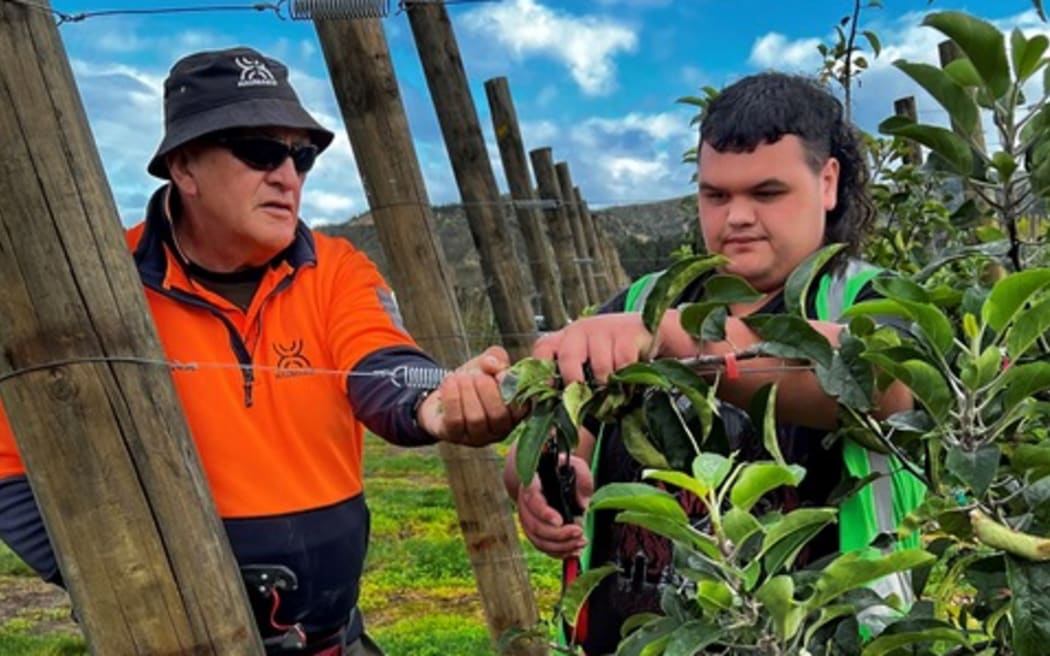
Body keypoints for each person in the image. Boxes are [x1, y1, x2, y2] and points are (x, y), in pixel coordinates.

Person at [0, 47, 521, 655]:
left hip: (333, 639)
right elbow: (9, 468)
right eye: (260, 152)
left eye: (302, 156)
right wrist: (129, 575)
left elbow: (379, 360)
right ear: (184, 166)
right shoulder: (95, 290)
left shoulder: (337, 268)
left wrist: (437, 399)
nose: (288, 175)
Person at [504, 72, 924, 654]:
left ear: (827, 182)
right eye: (716, 195)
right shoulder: (640, 302)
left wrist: (669, 337)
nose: (737, 218)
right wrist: (540, 478)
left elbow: (868, 382)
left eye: (767, 193)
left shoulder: (869, 301)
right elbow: (563, 426)